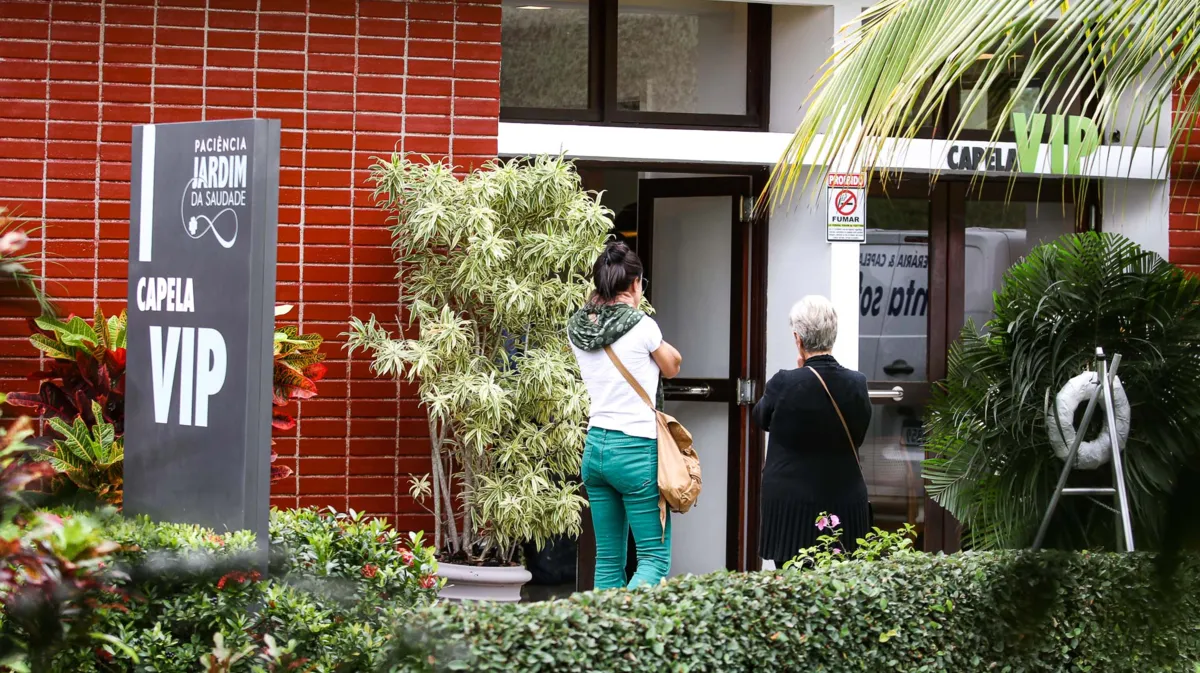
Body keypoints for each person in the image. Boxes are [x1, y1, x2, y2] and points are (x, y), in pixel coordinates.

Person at [567, 241, 683, 589]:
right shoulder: (642, 325)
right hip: (635, 448)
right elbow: (673, 366)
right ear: (635, 284)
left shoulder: (577, 328)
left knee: (608, 560)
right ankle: (630, 630)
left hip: (596, 447)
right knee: (652, 559)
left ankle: (605, 636)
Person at [754, 295, 872, 568]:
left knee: (793, 585)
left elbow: (761, 417)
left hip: (790, 507)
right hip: (844, 501)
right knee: (840, 584)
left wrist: (798, 374)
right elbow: (859, 435)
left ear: (798, 339)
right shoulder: (857, 383)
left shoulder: (784, 382)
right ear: (833, 336)